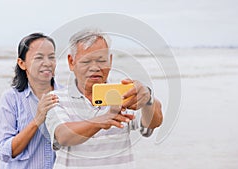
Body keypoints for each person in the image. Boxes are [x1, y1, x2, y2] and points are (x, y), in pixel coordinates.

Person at [45, 28, 163, 169]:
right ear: (71, 62)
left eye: (101, 60)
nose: (95, 68)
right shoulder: (55, 98)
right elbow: (63, 136)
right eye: (86, 61)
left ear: (110, 60)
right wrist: (102, 120)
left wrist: (148, 100)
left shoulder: (123, 94)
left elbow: (152, 124)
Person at [0, 33, 62, 169]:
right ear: (22, 63)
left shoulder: (66, 95)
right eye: (39, 57)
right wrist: (38, 119)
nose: (48, 63)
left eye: (51, 57)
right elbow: (4, 152)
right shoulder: (11, 98)